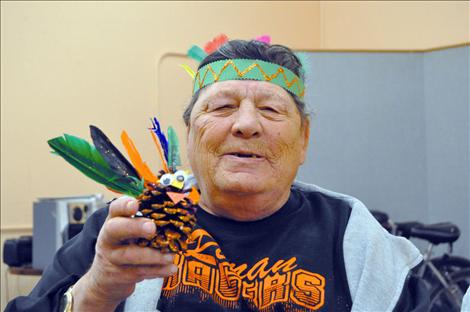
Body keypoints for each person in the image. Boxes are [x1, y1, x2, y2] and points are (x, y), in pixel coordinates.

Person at [6, 39, 429, 312]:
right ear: (190, 136)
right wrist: (96, 291)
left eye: (270, 109)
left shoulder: (354, 236)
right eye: (222, 107)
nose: (246, 124)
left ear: (304, 139)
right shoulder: (125, 229)